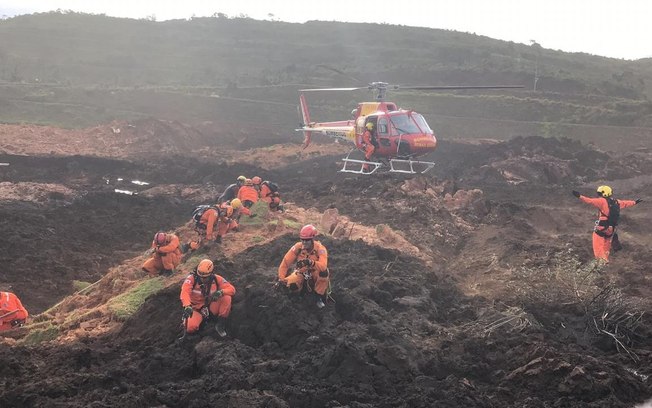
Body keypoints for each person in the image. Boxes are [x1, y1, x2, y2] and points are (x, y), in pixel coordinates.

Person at [572, 185, 642, 263]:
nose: (599, 195)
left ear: (603, 193)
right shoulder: (617, 202)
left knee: (598, 244)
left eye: (599, 193)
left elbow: (589, 201)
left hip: (602, 227)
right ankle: (605, 259)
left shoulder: (601, 201)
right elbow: (626, 203)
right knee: (606, 244)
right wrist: (635, 202)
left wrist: (579, 196)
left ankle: (602, 261)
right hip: (611, 229)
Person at [277, 224, 329, 308]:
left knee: (324, 273)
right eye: (302, 240)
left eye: (307, 240)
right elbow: (285, 262)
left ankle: (318, 297)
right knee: (292, 284)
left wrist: (311, 263)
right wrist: (281, 278)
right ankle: (298, 295)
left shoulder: (320, 249)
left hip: (315, 274)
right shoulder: (298, 247)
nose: (304, 242)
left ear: (312, 239)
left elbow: (323, 266)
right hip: (301, 273)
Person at [180, 259, 235, 337]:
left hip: (210, 307)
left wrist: (221, 292)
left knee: (226, 297)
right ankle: (197, 323)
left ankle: (220, 325)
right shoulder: (191, 279)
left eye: (205, 277)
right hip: (195, 309)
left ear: (211, 274)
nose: (203, 279)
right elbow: (184, 292)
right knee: (190, 328)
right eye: (200, 277)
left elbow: (232, 289)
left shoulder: (216, 279)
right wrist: (187, 305)